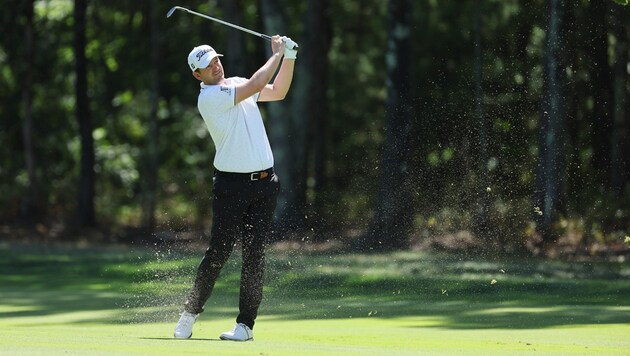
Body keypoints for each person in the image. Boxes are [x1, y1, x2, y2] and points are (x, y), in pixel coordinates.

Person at [173, 34, 297, 342]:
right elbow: (257, 83)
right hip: (231, 186)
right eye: (207, 65)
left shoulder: (236, 84)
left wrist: (290, 58)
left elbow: (278, 91)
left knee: (255, 255)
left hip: (266, 185)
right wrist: (278, 54)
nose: (215, 67)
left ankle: (245, 326)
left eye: (216, 60)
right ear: (196, 75)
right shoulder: (210, 98)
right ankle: (189, 314)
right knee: (219, 252)